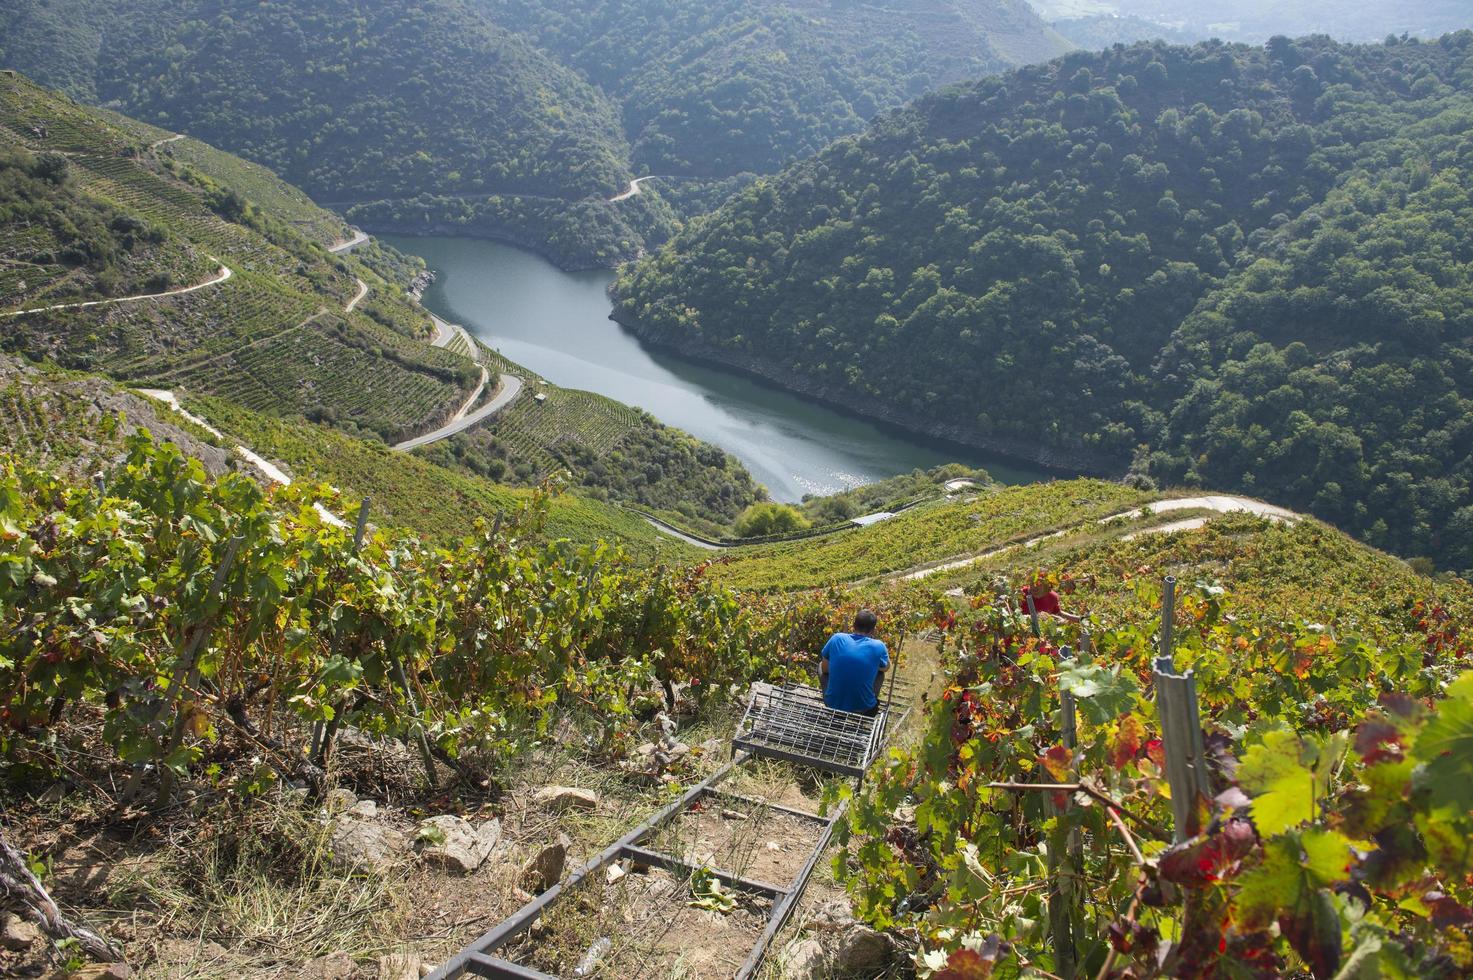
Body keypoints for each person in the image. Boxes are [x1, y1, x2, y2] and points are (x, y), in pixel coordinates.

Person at [819, 609, 890, 716]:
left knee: (820, 666)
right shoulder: (878, 646)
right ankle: (869, 701)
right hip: (865, 708)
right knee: (880, 673)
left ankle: (836, 703)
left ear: (853, 625)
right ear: (873, 631)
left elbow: (825, 669)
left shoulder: (837, 638)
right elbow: (886, 667)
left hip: (832, 704)